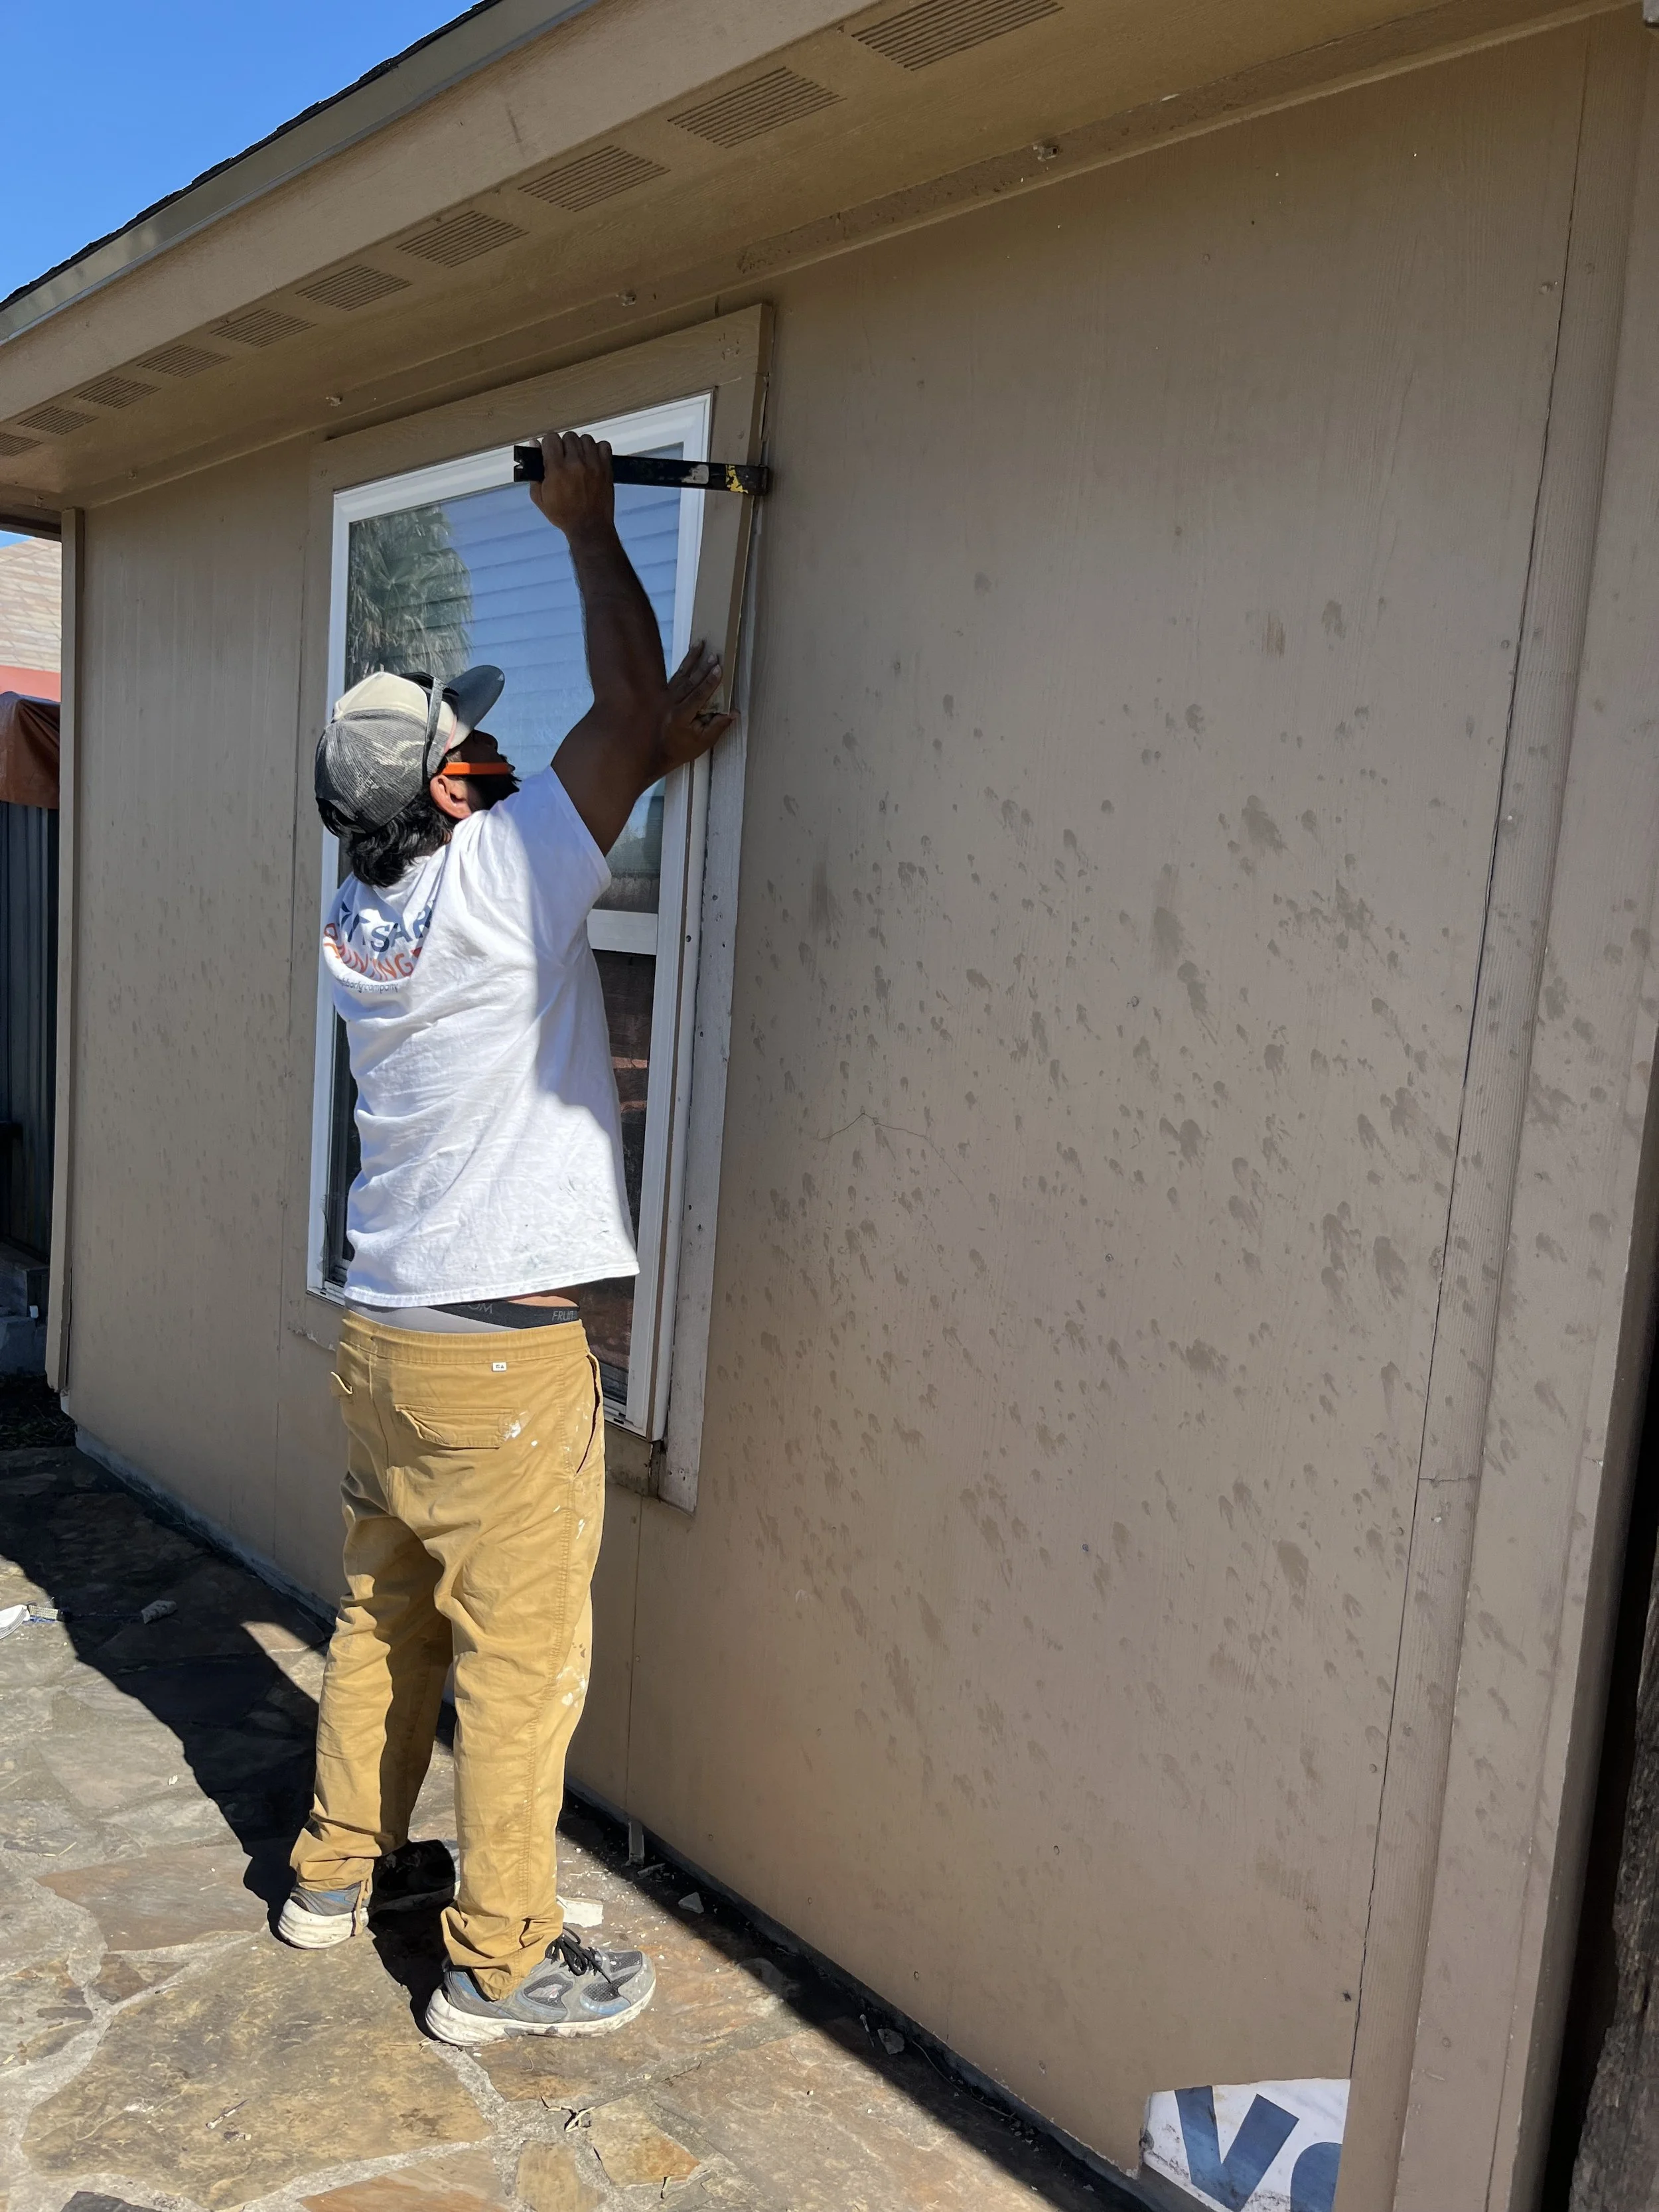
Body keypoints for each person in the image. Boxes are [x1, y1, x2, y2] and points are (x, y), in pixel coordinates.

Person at [280, 430, 732, 2046]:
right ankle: (497, 1958)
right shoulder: (488, 883)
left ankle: (335, 1873)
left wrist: (641, 757)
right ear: (443, 791)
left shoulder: (361, 900)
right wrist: (590, 530)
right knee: (523, 1668)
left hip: (386, 1336)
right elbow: (603, 723)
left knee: (382, 1614)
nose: (477, 749)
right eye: (461, 743)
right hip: (496, 1360)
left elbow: (546, 774)